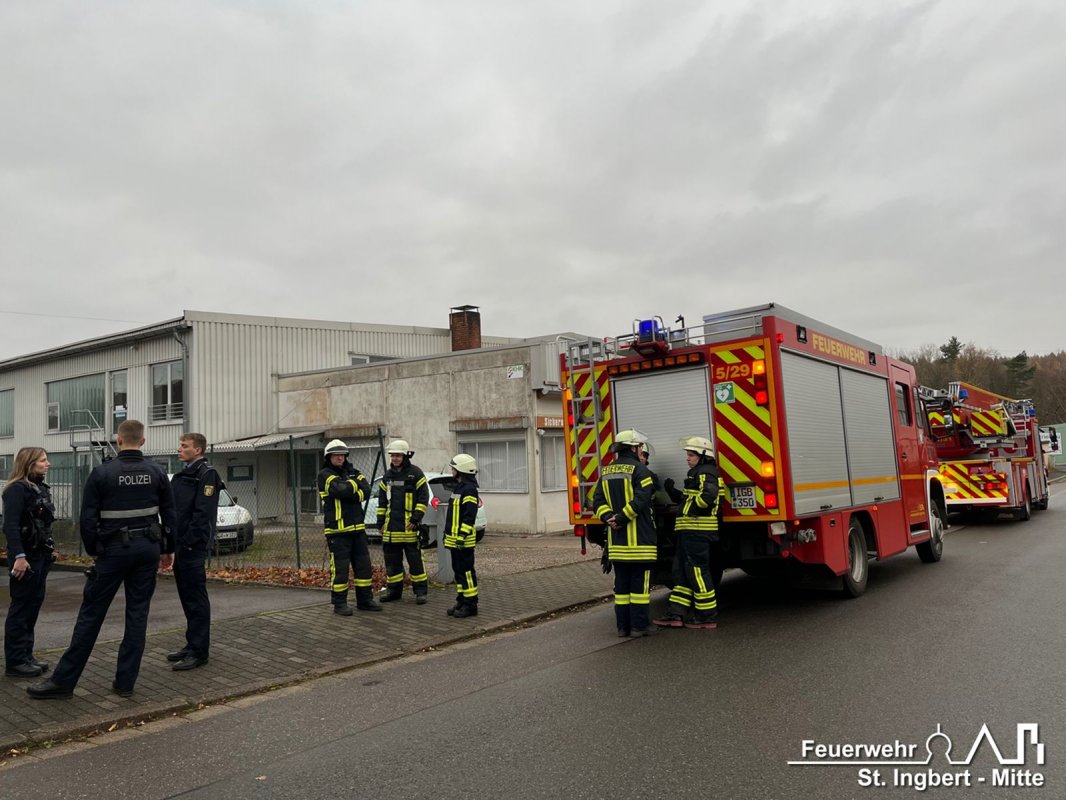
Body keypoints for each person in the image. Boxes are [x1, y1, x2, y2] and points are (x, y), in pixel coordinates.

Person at [28, 420, 176, 699]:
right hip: (148, 549)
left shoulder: (102, 473)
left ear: (119, 440)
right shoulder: (157, 472)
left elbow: (87, 518)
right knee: (137, 615)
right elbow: (170, 515)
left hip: (113, 551)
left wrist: (96, 549)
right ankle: (125, 683)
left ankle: (63, 682)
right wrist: (168, 549)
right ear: (142, 442)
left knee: (91, 616)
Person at [591, 429, 658, 638]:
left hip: (617, 544)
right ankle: (640, 626)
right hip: (640, 543)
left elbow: (597, 502)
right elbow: (642, 500)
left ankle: (623, 627)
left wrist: (609, 518)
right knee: (640, 588)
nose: (640, 450)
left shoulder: (607, 471)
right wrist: (622, 518)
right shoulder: (641, 471)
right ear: (633, 447)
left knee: (621, 589)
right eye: (638, 447)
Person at [654, 436, 725, 630]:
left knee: (697, 573)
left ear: (703, 455)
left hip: (698, 530)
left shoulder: (706, 473)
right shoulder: (697, 473)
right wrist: (673, 491)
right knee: (681, 572)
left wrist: (694, 509)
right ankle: (676, 613)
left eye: (691, 455)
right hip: (688, 531)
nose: (687, 458)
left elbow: (708, 496)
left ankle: (707, 616)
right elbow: (687, 500)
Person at [167, 433, 222, 671]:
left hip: (192, 547)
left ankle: (199, 651)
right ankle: (192, 644)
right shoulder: (182, 475)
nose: (180, 449)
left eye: (184, 446)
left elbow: (202, 515)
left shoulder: (206, 475)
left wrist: (188, 543)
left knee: (196, 599)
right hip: (180, 546)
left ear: (198, 450)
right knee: (187, 597)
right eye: (180, 445)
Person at [3, 448, 57, 678]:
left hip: (40, 555)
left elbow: (44, 524)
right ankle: (15, 662)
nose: (48, 464)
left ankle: (26, 655)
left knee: (33, 606)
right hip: (26, 557)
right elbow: (10, 526)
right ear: (29, 463)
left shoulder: (40, 488)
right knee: (21, 608)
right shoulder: (16, 490)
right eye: (43, 460)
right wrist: (19, 557)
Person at [318, 439, 379, 615]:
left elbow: (366, 490)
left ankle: (365, 600)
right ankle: (339, 604)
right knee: (341, 570)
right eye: (336, 455)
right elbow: (340, 490)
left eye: (342, 455)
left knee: (364, 567)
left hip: (357, 529)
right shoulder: (324, 475)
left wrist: (351, 489)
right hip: (337, 531)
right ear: (329, 457)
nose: (340, 458)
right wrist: (354, 487)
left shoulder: (352, 471)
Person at [375, 440, 430, 605]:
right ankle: (394, 591)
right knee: (392, 564)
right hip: (391, 530)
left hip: (409, 529)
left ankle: (420, 592)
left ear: (405, 456)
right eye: (392, 455)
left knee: (415, 563)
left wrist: (416, 518)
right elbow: (382, 501)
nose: (395, 458)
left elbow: (423, 497)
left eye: (398, 455)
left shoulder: (416, 473)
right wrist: (380, 523)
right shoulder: (387, 476)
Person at [442, 454, 480, 618]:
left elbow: (469, 516)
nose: (452, 471)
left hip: (463, 540)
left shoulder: (469, 490)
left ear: (461, 471)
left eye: (454, 469)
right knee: (458, 572)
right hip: (454, 539)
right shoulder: (458, 488)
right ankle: (462, 601)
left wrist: (462, 535)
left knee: (466, 573)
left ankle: (471, 605)